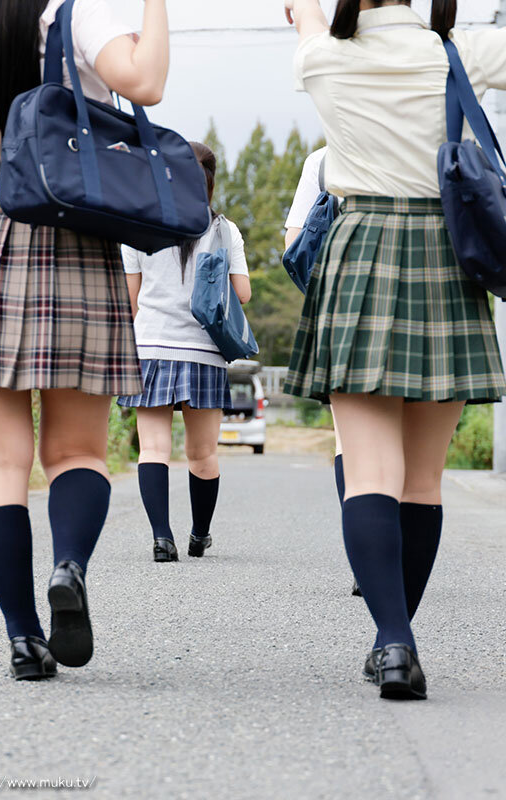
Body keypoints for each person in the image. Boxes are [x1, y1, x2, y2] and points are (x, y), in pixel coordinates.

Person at [0, 0, 169, 680]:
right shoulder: (77, 15)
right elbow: (145, 83)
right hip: (75, 232)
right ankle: (68, 567)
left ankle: (23, 639)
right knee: (76, 451)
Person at [283, 0, 506, 699]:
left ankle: (394, 641)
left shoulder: (323, 58)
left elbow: (304, 17)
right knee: (423, 480)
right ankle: (396, 637)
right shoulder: (459, 53)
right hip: (446, 255)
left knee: (369, 471)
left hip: (362, 254)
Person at [118, 142, 251, 563]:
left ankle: (162, 538)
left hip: (151, 347)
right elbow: (242, 294)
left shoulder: (139, 225)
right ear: (210, 180)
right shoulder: (224, 230)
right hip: (204, 351)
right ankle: (199, 535)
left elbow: (130, 300)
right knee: (203, 453)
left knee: (153, 449)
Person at [285, 146, 363, 595]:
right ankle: (406, 558)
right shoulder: (436, 140)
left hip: (344, 310)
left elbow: (295, 243)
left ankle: (365, 559)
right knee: (416, 453)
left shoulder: (325, 159)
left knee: (349, 439)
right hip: (427, 301)